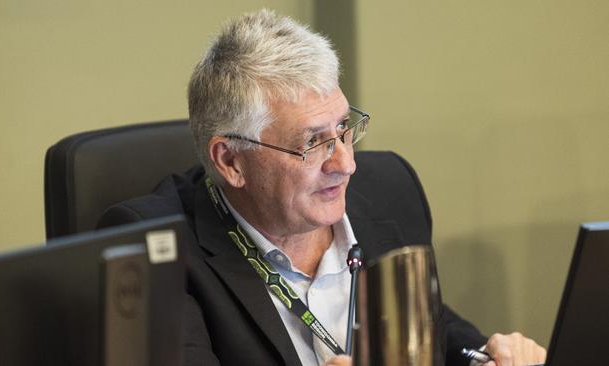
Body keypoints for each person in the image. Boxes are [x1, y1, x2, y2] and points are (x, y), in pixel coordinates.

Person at [99, 9, 546, 366]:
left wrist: (485, 357)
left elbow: (433, 330)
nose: (346, 164)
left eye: (343, 128)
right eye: (312, 142)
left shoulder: (390, 189)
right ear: (231, 161)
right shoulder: (154, 247)